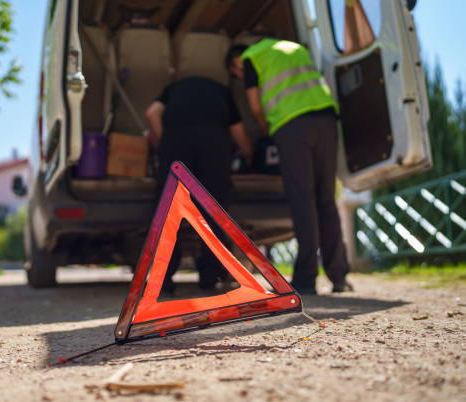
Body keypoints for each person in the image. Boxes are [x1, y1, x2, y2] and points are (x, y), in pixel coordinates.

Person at [226, 39, 352, 294]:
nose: (241, 78)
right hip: (326, 118)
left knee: (302, 198)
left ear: (236, 64)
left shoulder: (250, 56)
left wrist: (265, 130)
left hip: (292, 125)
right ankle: (339, 276)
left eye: (237, 76)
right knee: (326, 198)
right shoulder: (294, 47)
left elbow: (254, 104)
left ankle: (305, 280)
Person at [145, 76, 252, 295]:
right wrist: (249, 157)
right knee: (213, 209)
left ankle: (163, 279)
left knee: (169, 211)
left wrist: (163, 144)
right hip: (214, 143)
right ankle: (209, 277)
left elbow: (151, 113)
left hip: (176, 141)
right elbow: (238, 132)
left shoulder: (173, 87)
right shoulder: (222, 90)